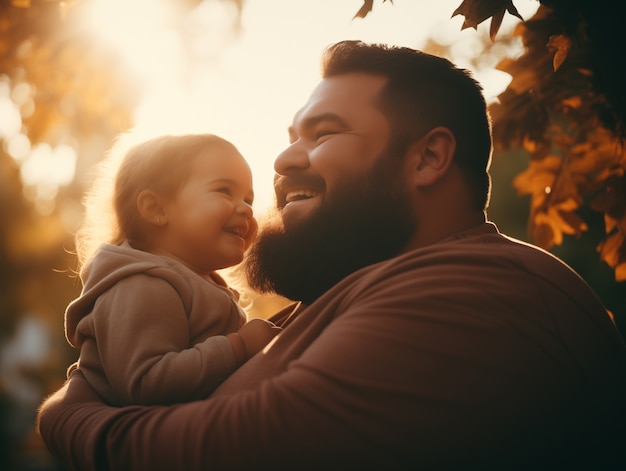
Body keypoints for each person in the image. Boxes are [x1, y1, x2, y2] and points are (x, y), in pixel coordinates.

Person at [38, 41, 626, 469]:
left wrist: (71, 417)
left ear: (427, 159)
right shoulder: (362, 292)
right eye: (294, 135)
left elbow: (244, 449)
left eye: (323, 134)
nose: (285, 159)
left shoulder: (486, 289)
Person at [62, 133, 279, 406]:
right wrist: (240, 346)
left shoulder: (192, 282)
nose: (247, 210)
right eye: (224, 191)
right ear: (155, 208)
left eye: (248, 199)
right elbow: (147, 383)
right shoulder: (142, 284)